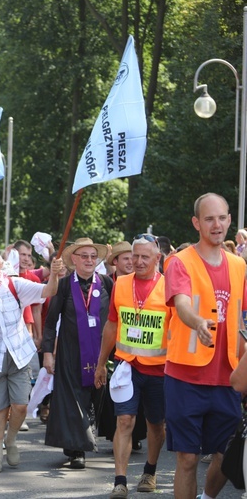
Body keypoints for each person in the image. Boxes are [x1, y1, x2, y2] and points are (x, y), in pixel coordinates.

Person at [163, 193, 246, 499]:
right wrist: (197, 322)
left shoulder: (239, 265)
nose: (217, 224)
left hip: (228, 376)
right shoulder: (179, 262)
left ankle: (207, 497)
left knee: (227, 452)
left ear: (229, 220)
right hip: (186, 376)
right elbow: (182, 304)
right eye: (209, 218)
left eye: (222, 217)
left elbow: (243, 317)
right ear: (196, 223)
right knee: (187, 458)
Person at [0, 246, 62, 473]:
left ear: (1, 263)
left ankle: (11, 439)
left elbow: (49, 290)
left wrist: (55, 273)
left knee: (20, 405)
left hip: (19, 355)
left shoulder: (15, 285)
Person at [94, 235, 169, 498]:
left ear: (157, 258)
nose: (137, 261)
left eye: (144, 257)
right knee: (124, 420)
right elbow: (112, 326)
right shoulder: (121, 284)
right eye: (134, 256)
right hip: (127, 367)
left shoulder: (169, 287)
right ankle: (120, 480)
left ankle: (150, 470)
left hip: (159, 370)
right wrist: (101, 364)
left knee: (156, 426)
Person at [42, 237, 113, 469]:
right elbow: (51, 322)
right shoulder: (63, 286)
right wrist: (47, 353)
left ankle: (77, 442)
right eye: (84, 256)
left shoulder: (106, 283)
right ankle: (78, 450)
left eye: (93, 256)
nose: (89, 260)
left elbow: (115, 318)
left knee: (93, 398)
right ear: (74, 259)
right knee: (72, 400)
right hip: (70, 353)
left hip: (100, 354)